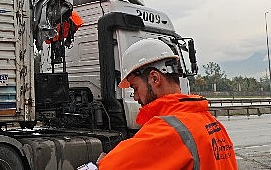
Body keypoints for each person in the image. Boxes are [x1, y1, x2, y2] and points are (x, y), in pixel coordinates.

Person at [98, 38, 237, 169]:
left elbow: (109, 167)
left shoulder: (167, 130)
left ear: (154, 78)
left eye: (135, 88)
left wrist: (104, 161)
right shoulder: (212, 123)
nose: (135, 97)